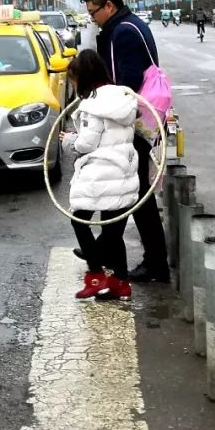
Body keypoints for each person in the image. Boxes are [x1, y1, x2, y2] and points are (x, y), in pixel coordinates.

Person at [79, 0, 169, 284]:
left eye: (94, 12)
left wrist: (104, 115)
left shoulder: (122, 33)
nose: (92, 18)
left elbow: (121, 87)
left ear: (109, 6)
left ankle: (154, 263)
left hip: (135, 123)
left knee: (137, 195)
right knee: (135, 193)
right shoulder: (130, 25)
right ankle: (110, 248)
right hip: (141, 120)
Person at [62, 50, 139, 301]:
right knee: (113, 231)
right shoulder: (122, 97)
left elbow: (86, 143)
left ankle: (95, 275)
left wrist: (69, 141)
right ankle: (120, 283)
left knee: (80, 220)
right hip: (123, 173)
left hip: (100, 173)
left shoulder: (92, 105)